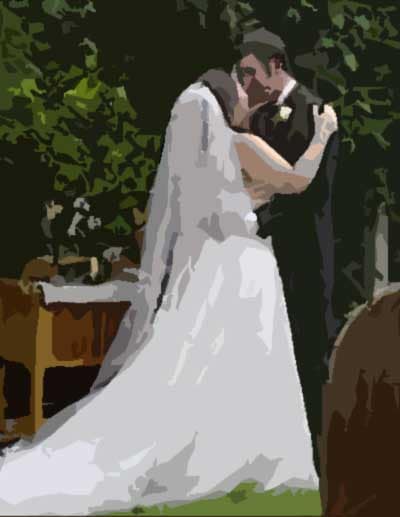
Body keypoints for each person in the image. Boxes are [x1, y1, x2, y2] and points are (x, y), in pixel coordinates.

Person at [0, 69, 337, 515]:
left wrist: (253, 198)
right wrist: (323, 132)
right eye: (239, 90)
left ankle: (215, 451)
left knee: (204, 360)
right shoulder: (239, 144)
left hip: (205, 267)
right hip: (243, 266)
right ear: (224, 104)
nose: (246, 94)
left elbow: (225, 203)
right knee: (244, 361)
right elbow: (297, 180)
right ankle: (240, 452)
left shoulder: (196, 163)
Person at [237, 28, 341, 472]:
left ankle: (324, 450)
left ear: (275, 65)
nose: (246, 81)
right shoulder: (257, 118)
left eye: (250, 72)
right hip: (263, 254)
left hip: (306, 254)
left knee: (311, 348)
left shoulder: (316, 111)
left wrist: (259, 215)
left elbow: (313, 193)